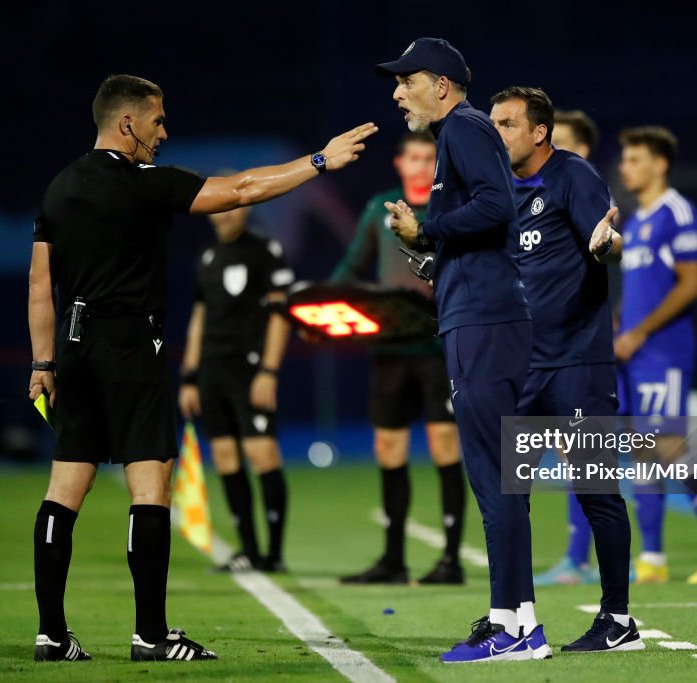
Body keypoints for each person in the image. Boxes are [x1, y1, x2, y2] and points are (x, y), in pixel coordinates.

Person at [27, 73, 376, 662]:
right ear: (128, 122)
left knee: (64, 490)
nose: (165, 133)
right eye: (158, 121)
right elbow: (240, 189)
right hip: (132, 347)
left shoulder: (59, 188)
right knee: (151, 484)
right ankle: (151, 635)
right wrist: (319, 160)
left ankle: (51, 635)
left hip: (74, 346)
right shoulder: (143, 183)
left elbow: (41, 285)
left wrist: (43, 361)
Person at [376, 37, 538, 663]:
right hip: (486, 318)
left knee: (494, 475)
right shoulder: (464, 134)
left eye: (405, 81)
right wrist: (429, 251)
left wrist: (428, 227)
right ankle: (516, 616)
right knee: (505, 477)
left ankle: (514, 629)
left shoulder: (463, 130)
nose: (397, 93)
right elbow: (483, 227)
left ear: (440, 85)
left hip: (484, 326)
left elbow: (498, 208)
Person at [490, 86, 643, 653]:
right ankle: (519, 620)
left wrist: (606, 245)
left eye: (507, 123)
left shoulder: (573, 177)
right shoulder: (500, 190)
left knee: (596, 491)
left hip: (576, 364)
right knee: (511, 498)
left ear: (539, 132)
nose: (497, 132)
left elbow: (608, 242)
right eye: (494, 123)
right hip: (520, 370)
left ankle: (619, 620)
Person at [331, 132, 466, 586]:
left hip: (439, 350)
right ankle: (393, 561)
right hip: (389, 350)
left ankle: (450, 560)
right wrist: (317, 306)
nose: (422, 165)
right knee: (388, 449)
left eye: (430, 157)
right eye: (414, 156)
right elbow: (350, 270)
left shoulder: (450, 209)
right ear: (400, 161)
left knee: (446, 447)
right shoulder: (379, 209)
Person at [616, 126, 697, 584]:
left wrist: (639, 332)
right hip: (637, 352)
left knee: (669, 448)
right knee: (643, 451)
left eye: (634, 159)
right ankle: (652, 559)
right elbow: (643, 291)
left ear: (660, 164)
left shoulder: (677, 211)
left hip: (664, 352)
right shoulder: (635, 220)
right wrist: (620, 325)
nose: (624, 167)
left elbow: (692, 284)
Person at [178, 198, 293, 573]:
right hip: (212, 371)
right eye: (218, 207)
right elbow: (199, 317)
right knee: (225, 457)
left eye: (230, 206)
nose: (223, 214)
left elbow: (281, 315)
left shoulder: (265, 251)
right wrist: (190, 376)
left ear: (244, 209)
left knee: (263, 456)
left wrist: (270, 371)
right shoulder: (207, 257)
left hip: (251, 370)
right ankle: (248, 550)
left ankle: (273, 554)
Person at [533, 106, 605, 588]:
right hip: (540, 352)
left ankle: (599, 562)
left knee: (592, 461)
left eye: (569, 146)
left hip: (580, 352)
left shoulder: (587, 191)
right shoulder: (531, 194)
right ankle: (577, 556)